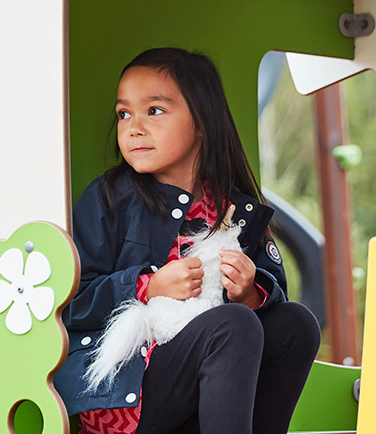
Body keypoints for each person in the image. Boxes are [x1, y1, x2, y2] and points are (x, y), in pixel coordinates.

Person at [58, 48, 321, 434]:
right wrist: (148, 284)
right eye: (124, 113)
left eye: (155, 111)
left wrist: (249, 293)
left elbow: (272, 290)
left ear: (202, 121)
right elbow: (69, 303)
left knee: (297, 323)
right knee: (233, 324)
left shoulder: (236, 210)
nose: (134, 127)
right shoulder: (110, 198)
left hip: (198, 387)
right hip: (128, 393)